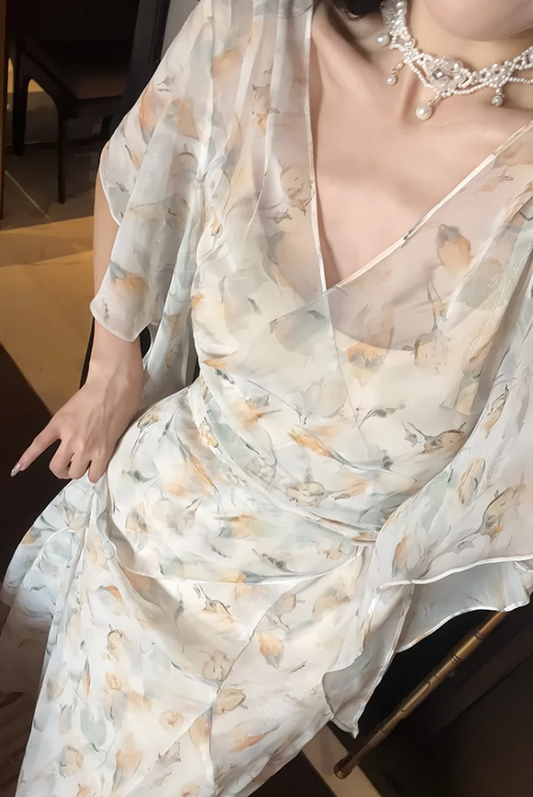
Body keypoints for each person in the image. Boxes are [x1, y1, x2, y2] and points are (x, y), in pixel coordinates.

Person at [1, 0, 533, 793]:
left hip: (295, 628)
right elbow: (140, 165)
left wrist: (358, 611)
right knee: (47, 723)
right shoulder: (256, 32)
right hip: (148, 500)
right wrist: (111, 366)